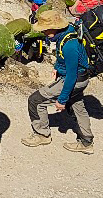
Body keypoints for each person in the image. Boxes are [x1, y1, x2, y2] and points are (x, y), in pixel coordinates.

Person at [22, 10, 95, 154]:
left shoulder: (69, 45)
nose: (43, 32)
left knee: (36, 100)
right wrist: (58, 68)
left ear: (54, 28)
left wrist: (62, 100)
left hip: (73, 80)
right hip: (82, 78)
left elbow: (71, 76)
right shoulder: (67, 34)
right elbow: (66, 61)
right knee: (77, 107)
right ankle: (87, 142)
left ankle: (42, 134)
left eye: (45, 29)